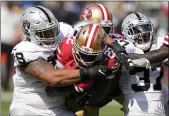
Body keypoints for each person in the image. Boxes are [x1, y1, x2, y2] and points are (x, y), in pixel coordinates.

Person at [9, 6, 115, 116]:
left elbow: (94, 32)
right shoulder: (25, 50)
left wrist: (116, 47)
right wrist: (89, 73)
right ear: (30, 33)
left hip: (60, 110)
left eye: (53, 30)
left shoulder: (63, 30)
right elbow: (52, 78)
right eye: (45, 33)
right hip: (28, 109)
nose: (52, 36)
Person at [55, 23, 124, 116]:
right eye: (82, 54)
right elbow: (53, 87)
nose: (85, 60)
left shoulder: (109, 59)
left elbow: (101, 95)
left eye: (91, 56)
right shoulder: (66, 47)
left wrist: (89, 93)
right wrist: (74, 89)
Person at [119, 12, 166, 116]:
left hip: (137, 109)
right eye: (136, 30)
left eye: (145, 28)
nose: (142, 34)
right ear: (126, 33)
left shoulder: (123, 48)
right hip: (149, 109)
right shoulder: (159, 46)